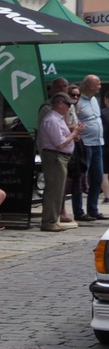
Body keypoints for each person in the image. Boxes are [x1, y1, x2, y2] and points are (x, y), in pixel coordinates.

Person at [38, 91, 82, 231]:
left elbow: (63, 137)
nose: (69, 107)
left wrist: (72, 135)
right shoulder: (52, 120)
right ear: (60, 104)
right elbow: (60, 143)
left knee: (58, 190)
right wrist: (74, 133)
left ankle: (53, 219)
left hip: (59, 157)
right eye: (68, 104)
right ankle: (49, 221)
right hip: (55, 157)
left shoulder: (59, 119)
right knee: (54, 190)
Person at [74, 74, 104, 222]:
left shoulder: (94, 100)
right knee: (81, 179)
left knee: (97, 177)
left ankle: (93, 209)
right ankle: (78, 211)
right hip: (85, 144)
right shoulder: (78, 102)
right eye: (98, 84)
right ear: (91, 85)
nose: (100, 87)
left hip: (98, 143)